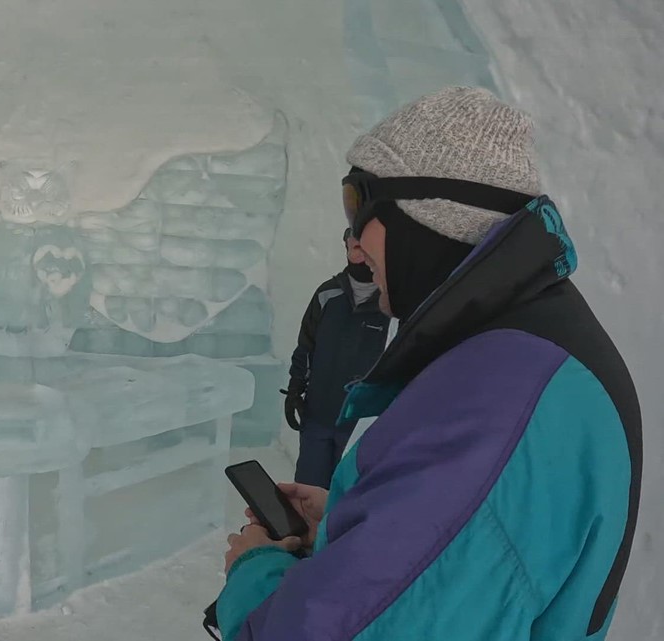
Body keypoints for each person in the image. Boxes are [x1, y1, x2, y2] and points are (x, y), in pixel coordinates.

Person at [214, 87, 641, 640]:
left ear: (427, 219)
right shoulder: (534, 354)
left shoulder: (497, 403)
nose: (354, 244)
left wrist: (254, 574)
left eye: (359, 206)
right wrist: (356, 522)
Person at [283, 228, 390, 489]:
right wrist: (296, 388)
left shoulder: (390, 303)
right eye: (353, 243)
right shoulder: (327, 294)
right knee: (308, 487)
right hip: (319, 409)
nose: (358, 249)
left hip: (359, 416)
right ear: (345, 246)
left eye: (364, 244)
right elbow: (306, 346)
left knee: (346, 488)